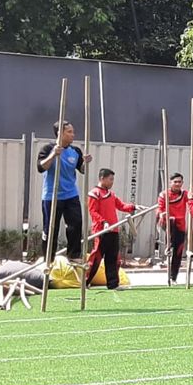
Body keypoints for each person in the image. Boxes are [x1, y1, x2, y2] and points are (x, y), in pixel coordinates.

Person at [37, 120, 92, 263]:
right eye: (69, 132)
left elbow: (82, 170)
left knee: (76, 223)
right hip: (52, 195)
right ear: (60, 133)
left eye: (73, 131)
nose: (73, 134)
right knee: (50, 229)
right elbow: (41, 167)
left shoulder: (75, 151)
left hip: (71, 195)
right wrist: (53, 155)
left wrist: (86, 162)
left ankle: (73, 255)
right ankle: (48, 258)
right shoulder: (47, 148)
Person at [85, 169, 139, 290]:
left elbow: (121, 206)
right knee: (96, 258)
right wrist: (103, 222)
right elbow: (93, 212)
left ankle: (113, 284)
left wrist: (135, 207)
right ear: (102, 178)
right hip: (101, 231)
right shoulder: (94, 193)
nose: (112, 182)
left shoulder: (111, 194)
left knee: (113, 258)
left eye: (113, 179)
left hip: (113, 230)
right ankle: (85, 282)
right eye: (110, 179)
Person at [157, 173, 189, 284]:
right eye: (175, 182)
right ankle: (168, 245)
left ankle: (173, 277)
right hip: (168, 223)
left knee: (179, 252)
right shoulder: (164, 194)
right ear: (170, 182)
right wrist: (162, 214)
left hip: (181, 226)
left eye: (179, 182)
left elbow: (192, 202)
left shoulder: (184, 194)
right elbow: (160, 208)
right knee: (172, 220)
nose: (177, 184)